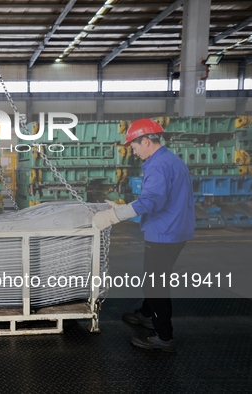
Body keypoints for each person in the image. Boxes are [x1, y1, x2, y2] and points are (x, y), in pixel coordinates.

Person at [93, 118, 195, 353]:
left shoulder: (158, 165)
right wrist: (122, 208)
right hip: (175, 229)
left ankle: (163, 336)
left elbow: (150, 202)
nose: (133, 151)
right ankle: (148, 314)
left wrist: (113, 217)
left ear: (146, 141)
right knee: (156, 277)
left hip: (164, 233)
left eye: (134, 146)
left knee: (155, 284)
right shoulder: (169, 159)